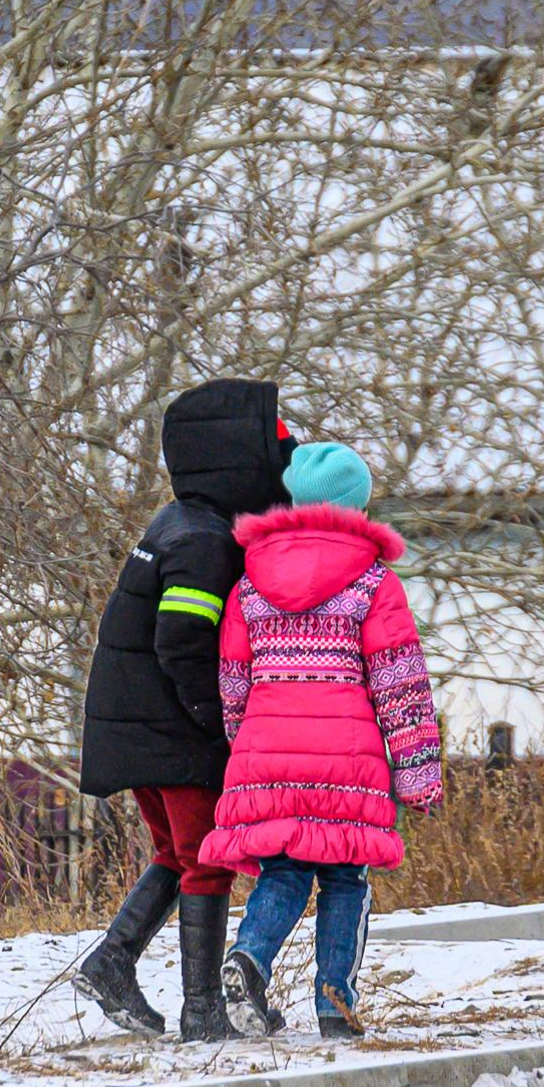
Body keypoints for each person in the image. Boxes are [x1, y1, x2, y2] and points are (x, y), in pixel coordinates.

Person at [73, 378, 296, 1039]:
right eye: (275, 444)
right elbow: (182, 638)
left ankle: (113, 960)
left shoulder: (185, 522)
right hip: (172, 728)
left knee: (177, 853)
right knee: (208, 857)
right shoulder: (203, 538)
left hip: (142, 724)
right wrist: (217, 720)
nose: (284, 459)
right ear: (235, 455)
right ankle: (203, 1011)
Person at [201, 441, 442, 1039]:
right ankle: (336, 1004)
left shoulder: (250, 583)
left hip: (266, 752)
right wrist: (417, 775)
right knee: (344, 878)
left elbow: (233, 682)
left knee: (282, 872)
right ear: (356, 508)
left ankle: (249, 959)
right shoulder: (373, 582)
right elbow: (400, 683)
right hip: (348, 760)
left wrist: (248, 747)